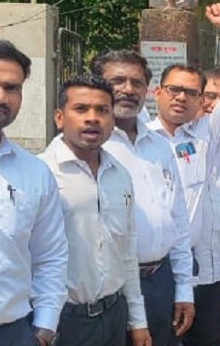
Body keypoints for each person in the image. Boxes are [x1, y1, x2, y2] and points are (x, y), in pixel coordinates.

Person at [149, 2, 220, 346]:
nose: (181, 98)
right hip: (158, 272)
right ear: (158, 93)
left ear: (200, 101)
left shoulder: (209, 137)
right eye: (174, 90)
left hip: (203, 273)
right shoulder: (140, 140)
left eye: (191, 92)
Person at [0, 40, 67, 346]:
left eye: (12, 87)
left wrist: (45, 328)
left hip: (14, 335)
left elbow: (50, 256)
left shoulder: (34, 172)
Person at [93, 50, 195, 346]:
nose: (127, 89)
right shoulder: (90, 145)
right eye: (117, 81)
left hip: (161, 280)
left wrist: (184, 289)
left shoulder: (159, 145)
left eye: (136, 83)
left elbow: (178, 220)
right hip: (111, 287)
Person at [41, 75, 150, 346]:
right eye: (80, 109)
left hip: (114, 314)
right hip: (61, 322)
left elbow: (126, 250)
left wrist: (138, 321)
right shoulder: (41, 173)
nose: (92, 118)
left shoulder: (119, 174)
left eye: (102, 110)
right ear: (59, 117)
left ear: (112, 120)